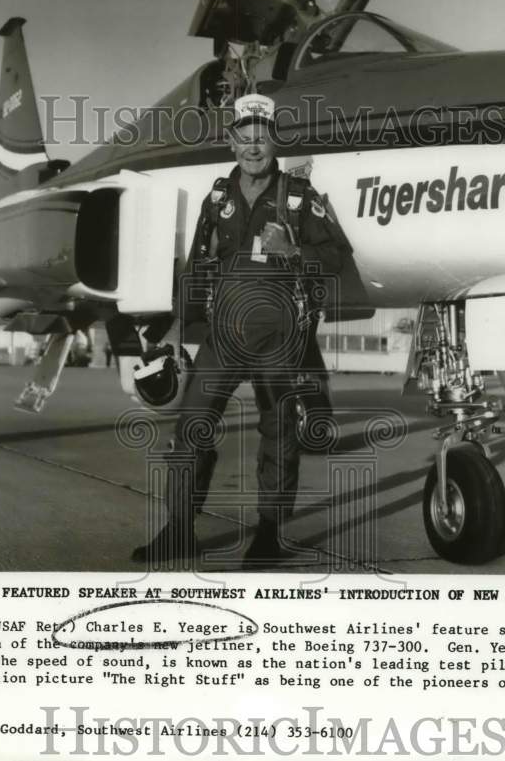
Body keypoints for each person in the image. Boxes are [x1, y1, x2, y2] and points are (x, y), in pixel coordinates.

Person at [132, 93, 351, 567]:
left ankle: (269, 534)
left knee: (278, 435)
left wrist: (293, 251)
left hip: (278, 337)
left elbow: (335, 258)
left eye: (263, 138)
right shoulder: (217, 199)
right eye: (245, 137)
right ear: (231, 141)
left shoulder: (299, 198)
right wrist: (177, 334)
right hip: (222, 336)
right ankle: (179, 530)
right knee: (191, 426)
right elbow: (198, 266)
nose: (254, 148)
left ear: (274, 142)